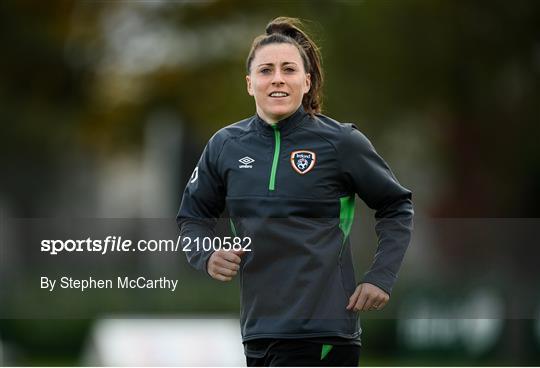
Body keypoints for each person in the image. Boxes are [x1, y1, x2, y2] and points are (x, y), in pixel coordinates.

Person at [177, 16, 413, 367]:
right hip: (259, 331)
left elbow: (396, 206)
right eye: (266, 70)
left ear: (306, 81)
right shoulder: (224, 145)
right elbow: (191, 218)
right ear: (249, 83)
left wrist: (381, 276)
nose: (277, 79)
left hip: (324, 331)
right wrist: (207, 254)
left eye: (288, 70)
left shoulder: (341, 142)